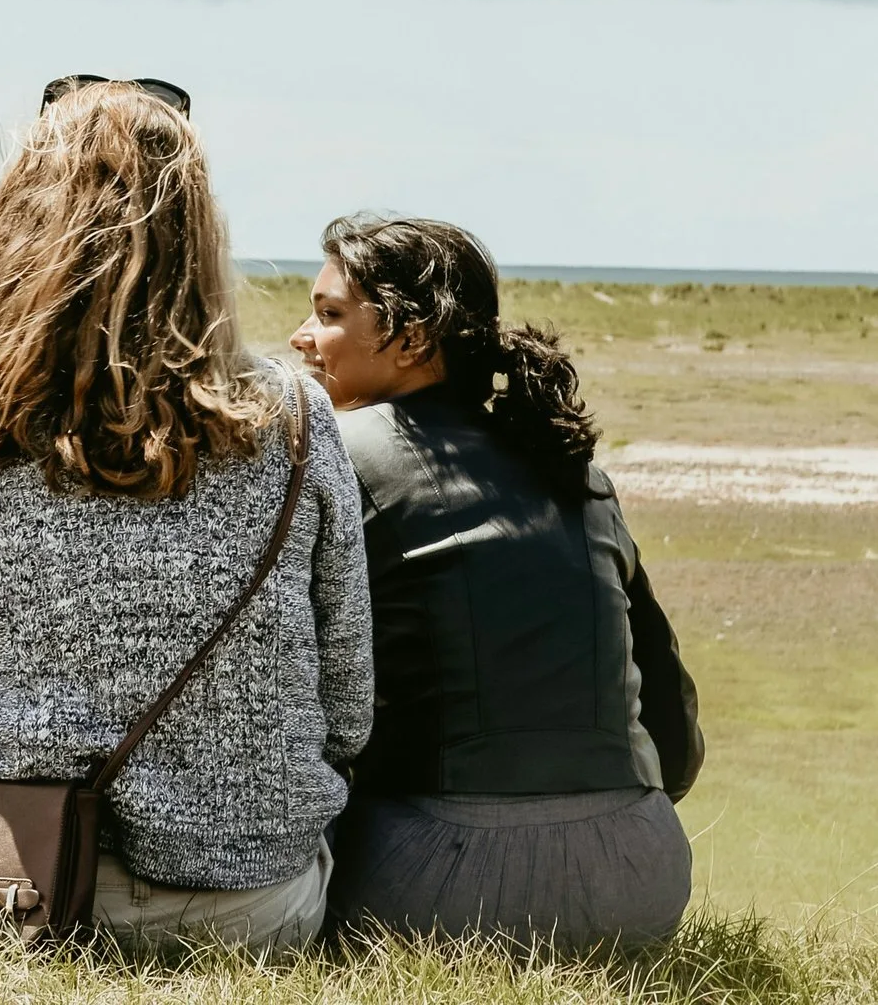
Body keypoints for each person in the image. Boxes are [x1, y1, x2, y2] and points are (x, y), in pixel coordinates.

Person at [0, 81, 371, 955]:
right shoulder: (294, 415)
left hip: (7, 878)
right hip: (247, 899)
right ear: (200, 230)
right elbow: (347, 696)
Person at [294, 214, 702, 950]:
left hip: (436, 889)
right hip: (645, 877)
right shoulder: (572, 467)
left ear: (413, 339)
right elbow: (671, 719)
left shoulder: (331, 448)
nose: (301, 338)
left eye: (328, 316)